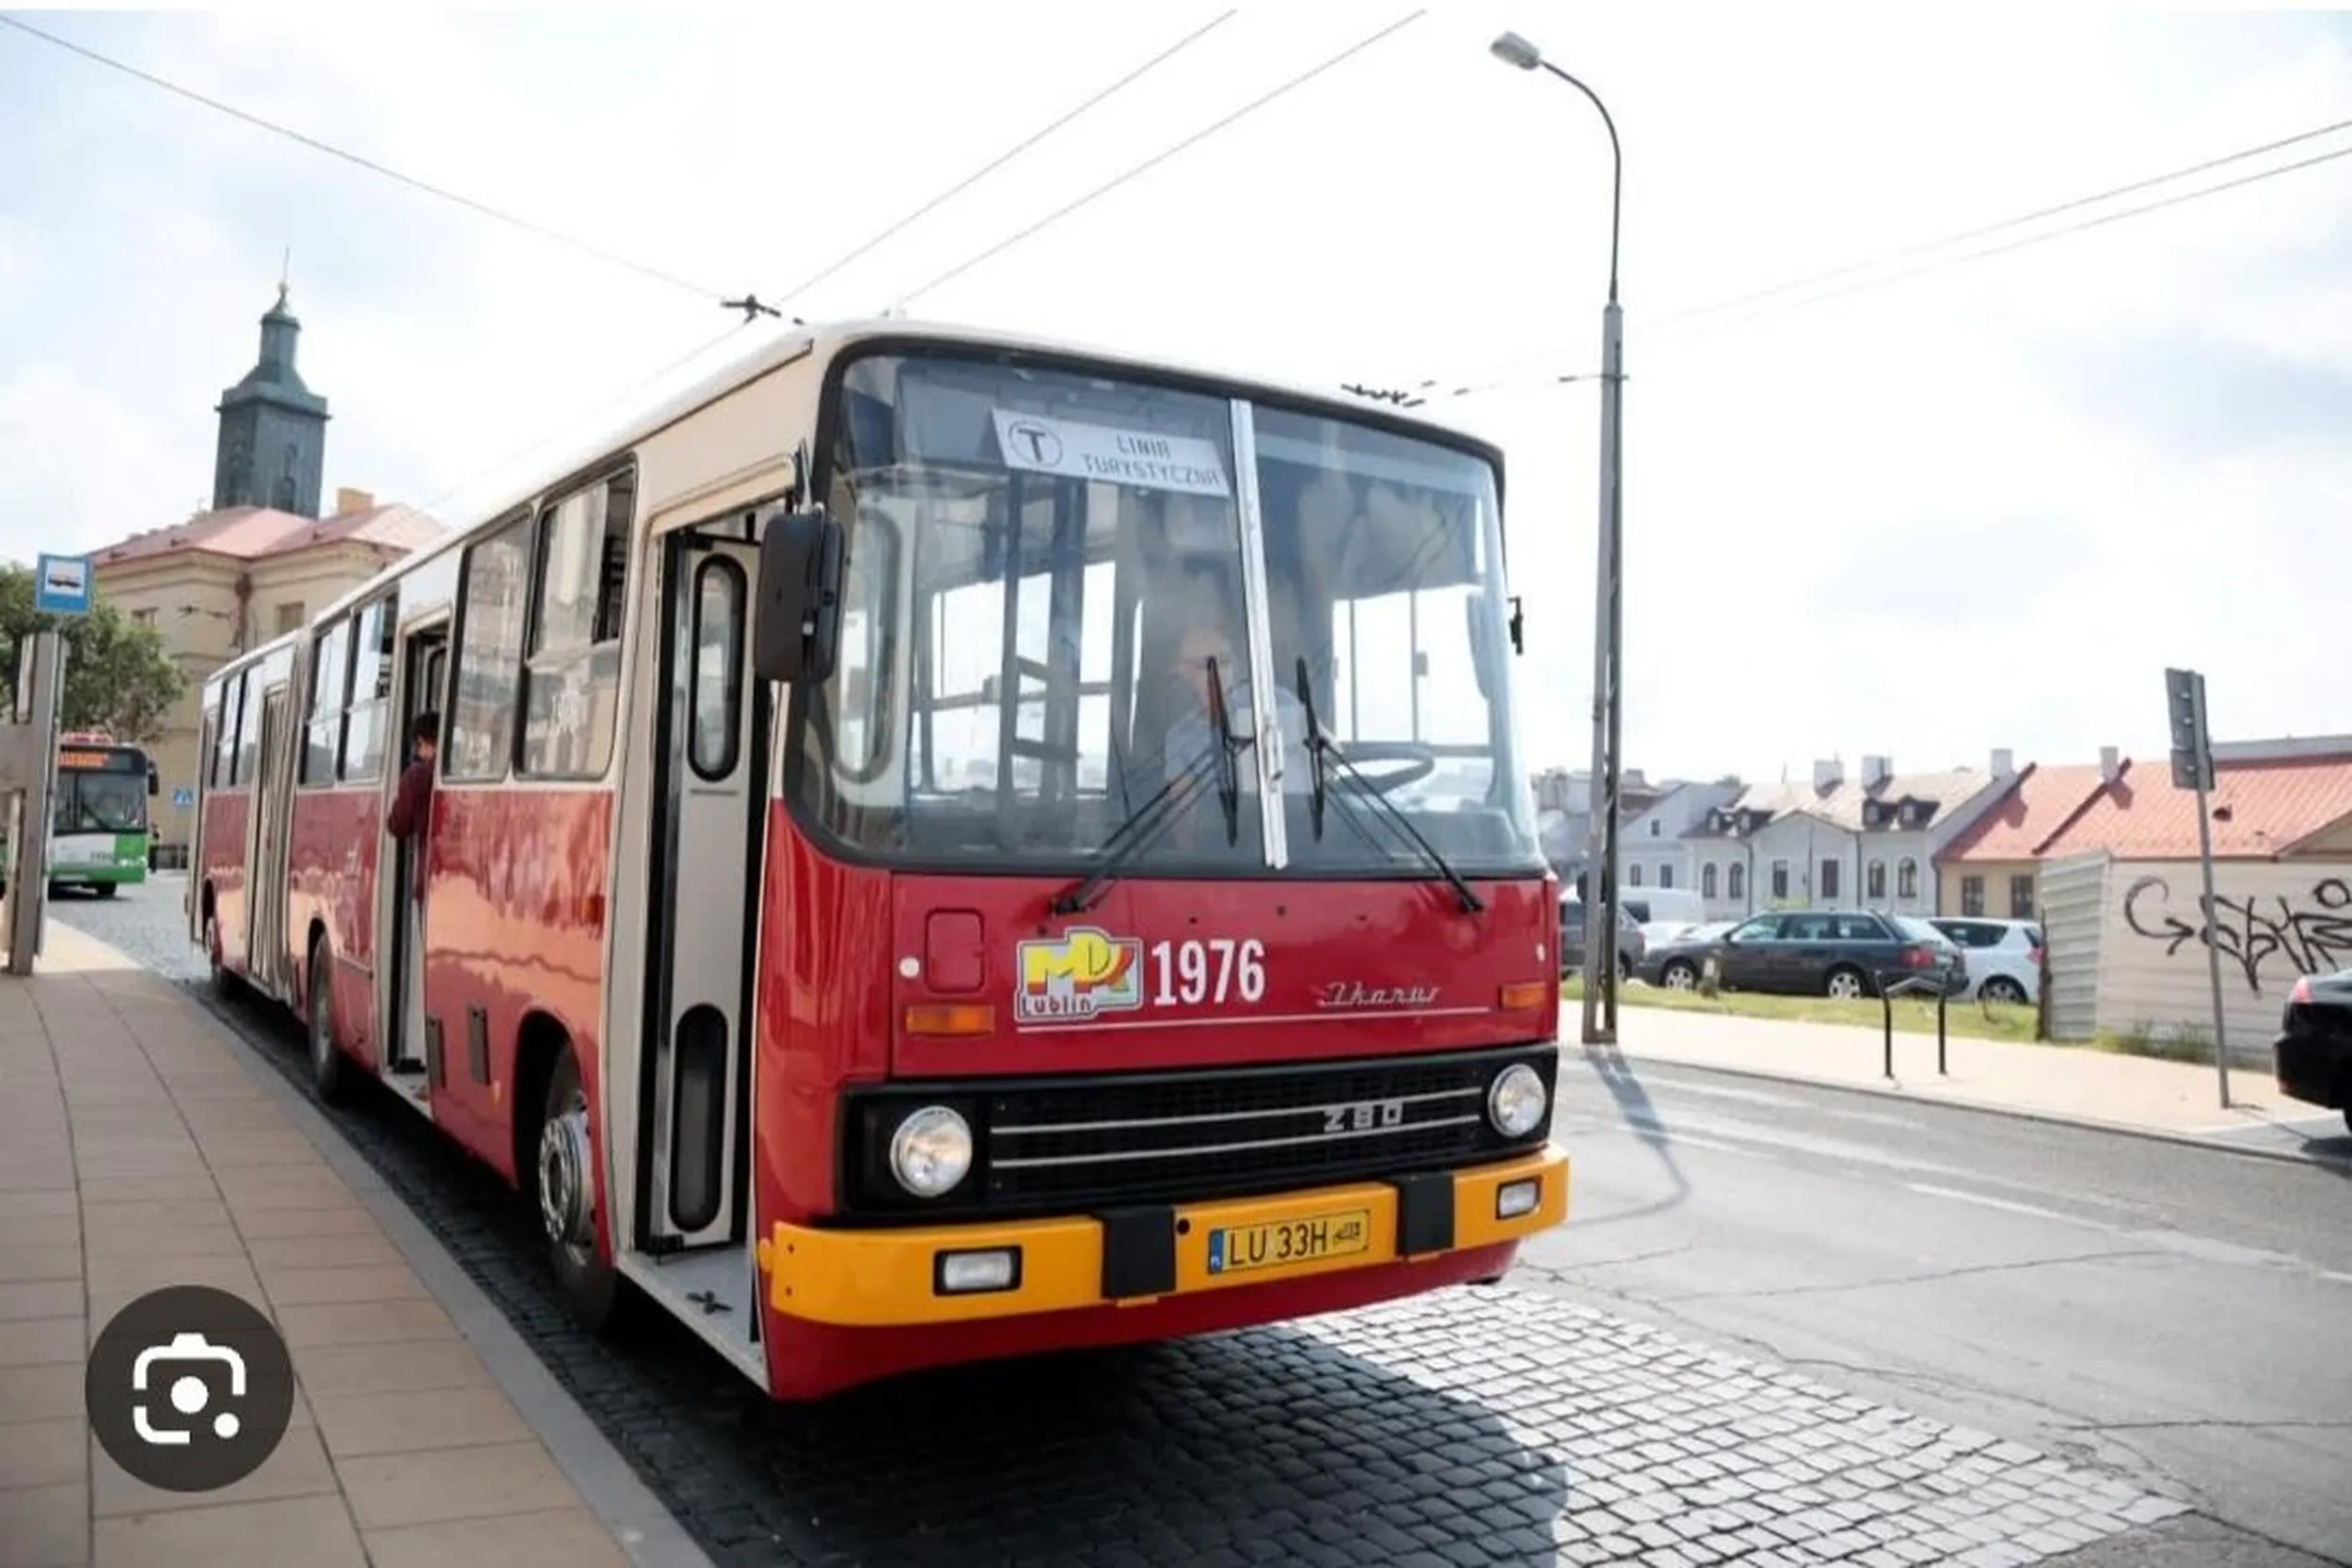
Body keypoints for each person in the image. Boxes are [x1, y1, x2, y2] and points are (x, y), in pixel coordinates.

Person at [385, 710, 437, 1069]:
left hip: (428, 885)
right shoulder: (457, 773)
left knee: (427, 976)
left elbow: (397, 824)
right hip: (461, 891)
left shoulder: (417, 776)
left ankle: (425, 1058)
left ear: (421, 742)